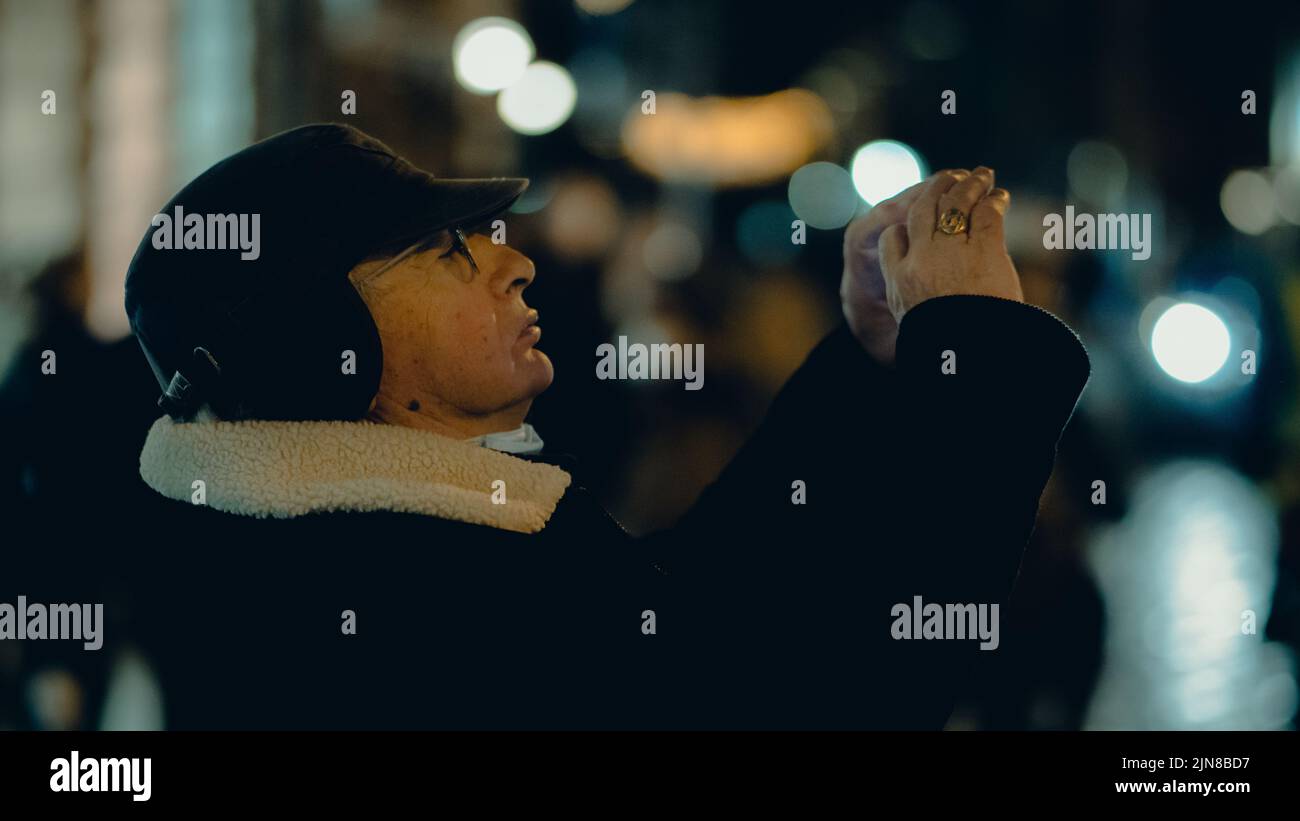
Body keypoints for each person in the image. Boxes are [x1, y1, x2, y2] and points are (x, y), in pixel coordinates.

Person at [112, 124, 1088, 729]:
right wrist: (980, 367)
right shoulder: (386, 592)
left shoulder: (387, 527)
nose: (513, 264)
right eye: (445, 252)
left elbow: (695, 607)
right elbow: (829, 698)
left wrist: (868, 358)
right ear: (320, 340)